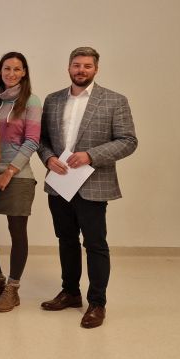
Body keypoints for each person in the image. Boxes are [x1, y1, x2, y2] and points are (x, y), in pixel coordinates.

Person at [38, 46, 137, 329]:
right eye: (76, 65)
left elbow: (128, 141)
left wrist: (91, 156)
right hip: (60, 184)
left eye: (87, 66)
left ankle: (97, 303)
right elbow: (42, 140)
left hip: (93, 184)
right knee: (66, 240)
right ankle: (70, 292)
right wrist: (48, 158)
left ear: (96, 69)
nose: (81, 70)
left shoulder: (114, 100)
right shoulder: (53, 100)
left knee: (95, 244)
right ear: (68, 67)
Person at [0, 52, 42, 313]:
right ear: (0, 71)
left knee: (17, 232)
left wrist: (9, 172)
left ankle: (12, 288)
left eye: (17, 69)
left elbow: (32, 141)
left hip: (18, 175)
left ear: (24, 72)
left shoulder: (31, 101)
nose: (11, 73)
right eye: (7, 68)